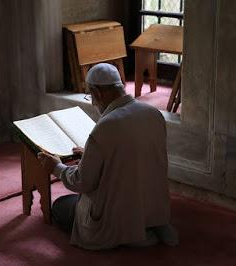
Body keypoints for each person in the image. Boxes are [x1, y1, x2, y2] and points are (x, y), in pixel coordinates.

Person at [38, 63, 178, 250]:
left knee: (60, 206)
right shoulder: (154, 114)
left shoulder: (106, 126)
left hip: (119, 215)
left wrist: (56, 167)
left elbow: (82, 182)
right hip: (152, 206)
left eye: (91, 96)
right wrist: (89, 154)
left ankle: (131, 235)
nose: (93, 102)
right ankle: (153, 223)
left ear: (97, 93)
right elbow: (131, 158)